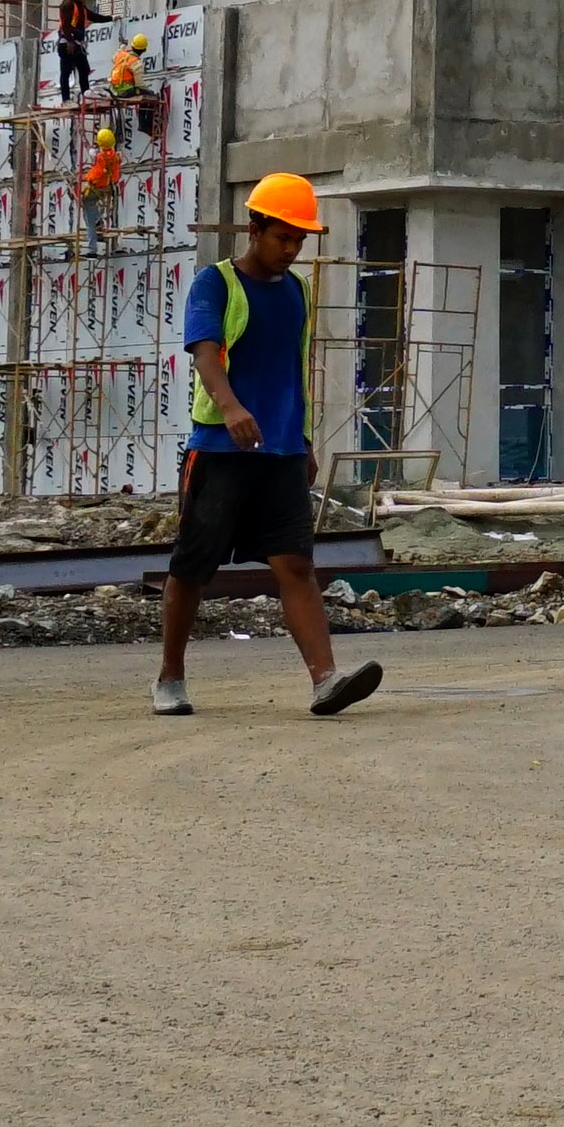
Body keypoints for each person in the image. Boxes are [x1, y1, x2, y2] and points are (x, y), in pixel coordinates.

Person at [155, 171, 381, 719]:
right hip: (220, 450)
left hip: (278, 453)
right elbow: (207, 354)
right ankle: (170, 677)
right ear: (254, 229)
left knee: (296, 566)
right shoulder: (216, 283)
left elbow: (292, 371)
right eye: (284, 237)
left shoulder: (298, 292)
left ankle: (326, 680)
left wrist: (301, 438)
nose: (292, 249)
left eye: (300, 240)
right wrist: (231, 409)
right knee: (192, 569)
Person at [54, 0, 95, 107]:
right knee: (66, 72)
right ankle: (66, 100)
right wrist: (70, 41)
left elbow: (92, 16)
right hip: (67, 43)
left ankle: (86, 97)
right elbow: (65, 25)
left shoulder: (79, 6)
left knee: (84, 70)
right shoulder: (68, 4)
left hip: (76, 44)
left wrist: (110, 18)